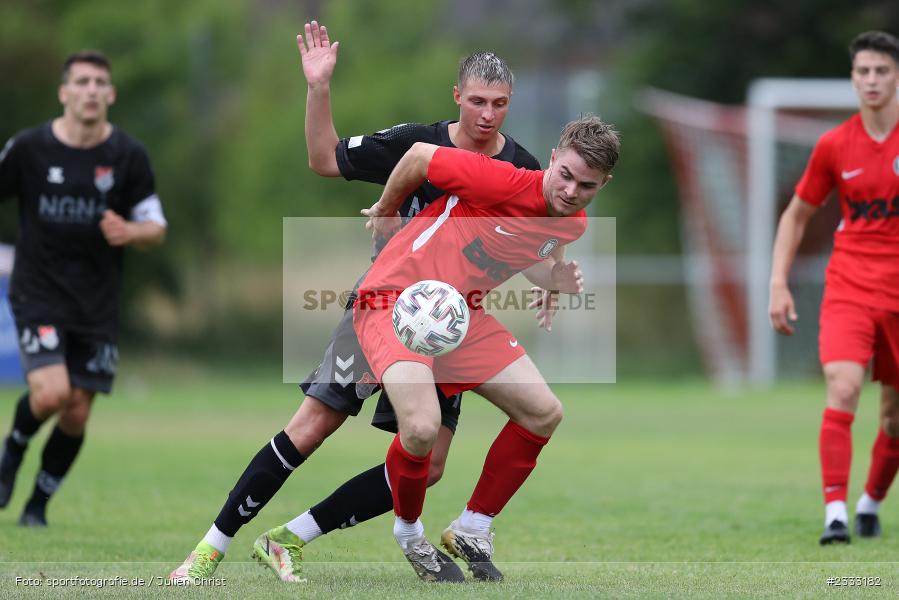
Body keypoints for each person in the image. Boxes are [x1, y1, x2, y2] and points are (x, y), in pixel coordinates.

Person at [170, 21, 559, 583]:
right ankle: (208, 549)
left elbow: (516, 247)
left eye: (499, 104)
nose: (487, 114)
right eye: (476, 101)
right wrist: (319, 88)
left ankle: (290, 537)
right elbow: (324, 159)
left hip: (447, 325)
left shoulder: (520, 168)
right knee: (312, 426)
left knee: (429, 466)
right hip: (384, 304)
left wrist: (551, 277)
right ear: (457, 97)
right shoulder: (417, 143)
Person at [352, 115, 618, 581]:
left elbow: (525, 255)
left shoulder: (572, 224)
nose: (573, 190)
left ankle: (473, 526)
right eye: (567, 175)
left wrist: (554, 281)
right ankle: (410, 534)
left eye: (587, 185)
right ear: (552, 160)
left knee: (544, 412)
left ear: (603, 184)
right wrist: (387, 207)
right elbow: (417, 156)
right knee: (421, 429)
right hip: (397, 297)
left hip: (458, 316)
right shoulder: (500, 178)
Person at [0, 50, 167, 527]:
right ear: (64, 92)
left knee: (76, 411)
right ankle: (11, 451)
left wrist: (130, 232)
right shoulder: (30, 148)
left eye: (100, 83)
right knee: (51, 393)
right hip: (38, 290)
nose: (91, 90)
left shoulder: (127, 155)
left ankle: (36, 507)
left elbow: (156, 226)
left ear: (110, 94)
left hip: (96, 302)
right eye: (82, 82)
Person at [768, 30, 899, 545]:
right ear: (852, 77)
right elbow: (796, 216)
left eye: (881, 71)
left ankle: (870, 502)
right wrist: (778, 282)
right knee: (842, 386)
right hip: (850, 288)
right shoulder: (833, 145)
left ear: (895, 76)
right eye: (863, 71)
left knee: (893, 419)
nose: (871, 79)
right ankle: (836, 515)